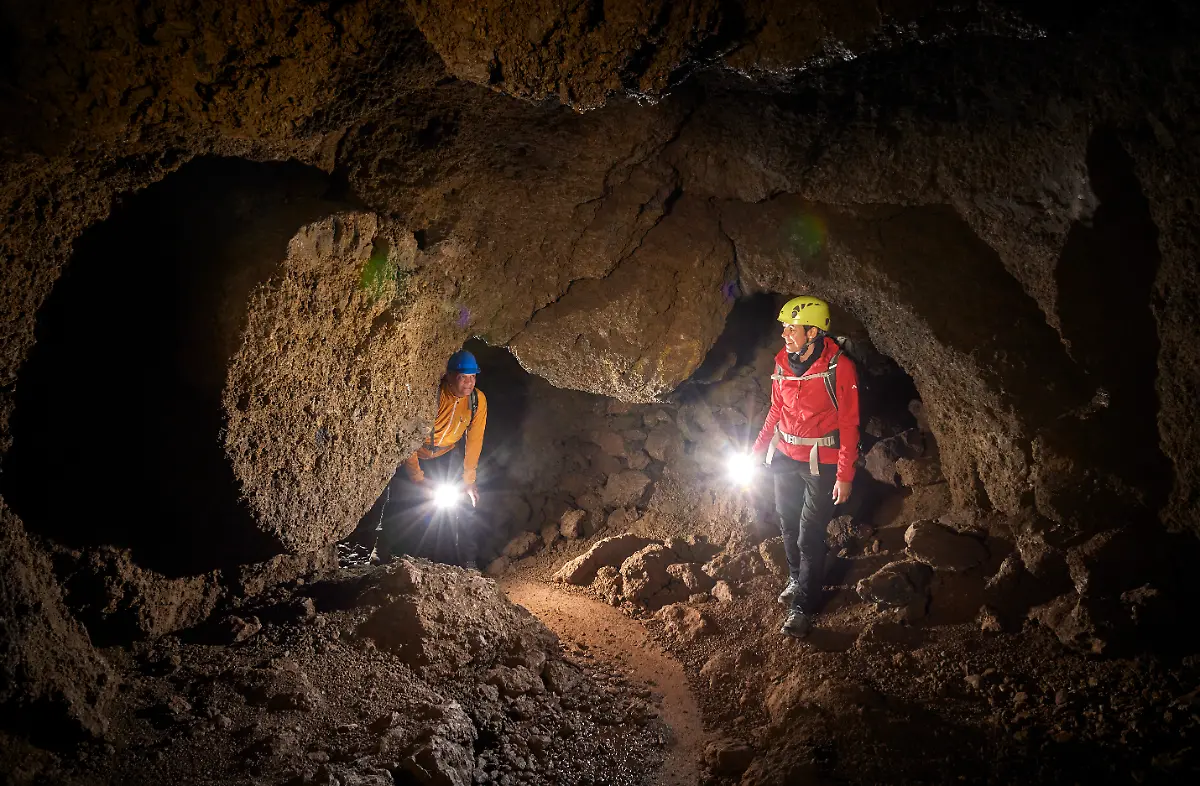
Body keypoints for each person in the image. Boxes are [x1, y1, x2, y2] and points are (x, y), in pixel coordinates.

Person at [751, 296, 860, 638]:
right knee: (787, 523)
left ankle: (803, 607)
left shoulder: (839, 367)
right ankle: (796, 578)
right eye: (784, 327)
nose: (785, 334)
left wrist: (844, 475)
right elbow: (775, 411)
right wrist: (757, 450)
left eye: (791, 328)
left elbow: (849, 423)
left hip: (821, 462)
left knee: (809, 533)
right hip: (784, 457)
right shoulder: (782, 363)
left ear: (813, 332)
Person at [369, 349, 489, 567]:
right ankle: (383, 549)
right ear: (450, 376)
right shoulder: (433, 396)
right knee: (401, 500)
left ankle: (463, 560)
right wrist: (417, 476)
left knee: (459, 503)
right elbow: (409, 436)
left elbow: (474, 440)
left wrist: (469, 480)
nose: (469, 383)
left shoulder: (476, 401)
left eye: (473, 377)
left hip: (445, 454)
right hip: (415, 451)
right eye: (463, 377)